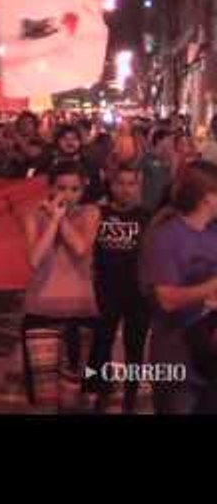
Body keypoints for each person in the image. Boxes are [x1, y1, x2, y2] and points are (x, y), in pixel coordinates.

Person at [21, 161, 101, 413]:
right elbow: (34, 259)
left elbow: (80, 248)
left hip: (80, 311)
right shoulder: (32, 212)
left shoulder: (91, 212)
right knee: (45, 399)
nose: (68, 195)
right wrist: (53, 222)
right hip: (40, 311)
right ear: (51, 187)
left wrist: (60, 218)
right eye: (62, 188)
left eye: (75, 189)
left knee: (70, 397)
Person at [140, 161, 217, 414]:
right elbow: (166, 298)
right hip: (176, 355)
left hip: (209, 354)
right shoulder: (166, 236)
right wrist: (210, 287)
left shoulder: (212, 233)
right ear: (207, 196)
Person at [85, 162, 152, 413]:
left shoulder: (148, 216)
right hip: (105, 292)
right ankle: (101, 392)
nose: (125, 189)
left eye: (131, 184)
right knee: (101, 344)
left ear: (138, 186)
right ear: (111, 185)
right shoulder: (96, 213)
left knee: (135, 348)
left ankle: (130, 399)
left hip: (138, 295)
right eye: (120, 183)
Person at [140, 129, 176, 213]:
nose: (172, 143)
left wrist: (173, 163)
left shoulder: (166, 160)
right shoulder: (146, 158)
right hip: (146, 205)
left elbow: (169, 182)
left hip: (159, 206)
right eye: (169, 140)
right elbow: (139, 180)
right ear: (159, 140)